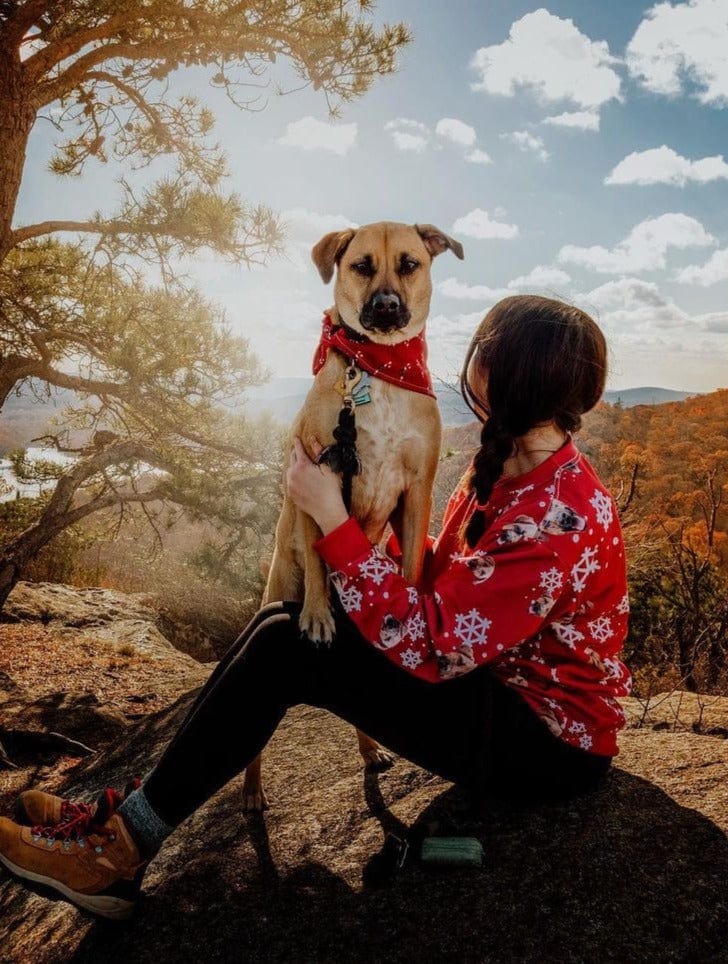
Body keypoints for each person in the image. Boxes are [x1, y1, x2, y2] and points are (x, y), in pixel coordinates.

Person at [0, 294, 633, 920]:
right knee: (284, 616)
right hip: (496, 694)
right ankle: (127, 816)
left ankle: (115, 854)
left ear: (496, 374)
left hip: (545, 746)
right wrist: (367, 530)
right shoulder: (509, 464)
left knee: (290, 647)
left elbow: (435, 643)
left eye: (481, 354)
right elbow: (457, 585)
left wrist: (334, 521)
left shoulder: (559, 517)